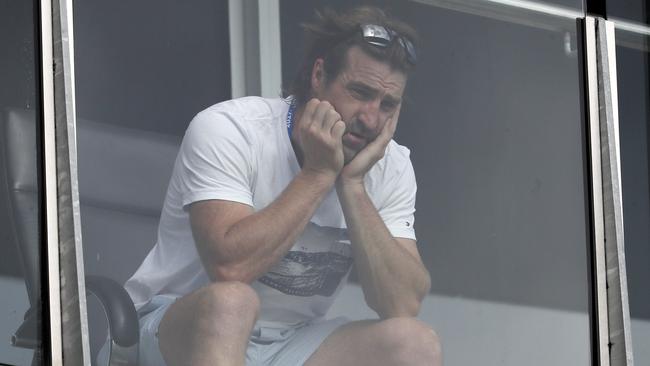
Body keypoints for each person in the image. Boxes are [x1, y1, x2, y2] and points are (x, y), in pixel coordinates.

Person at [123, 6, 442, 366]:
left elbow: (402, 303)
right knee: (232, 302)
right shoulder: (232, 129)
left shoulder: (391, 165)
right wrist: (319, 175)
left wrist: (352, 185)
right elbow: (231, 270)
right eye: (359, 92)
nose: (371, 118)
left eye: (387, 104)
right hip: (170, 331)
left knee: (414, 344)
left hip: (291, 341)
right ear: (319, 75)